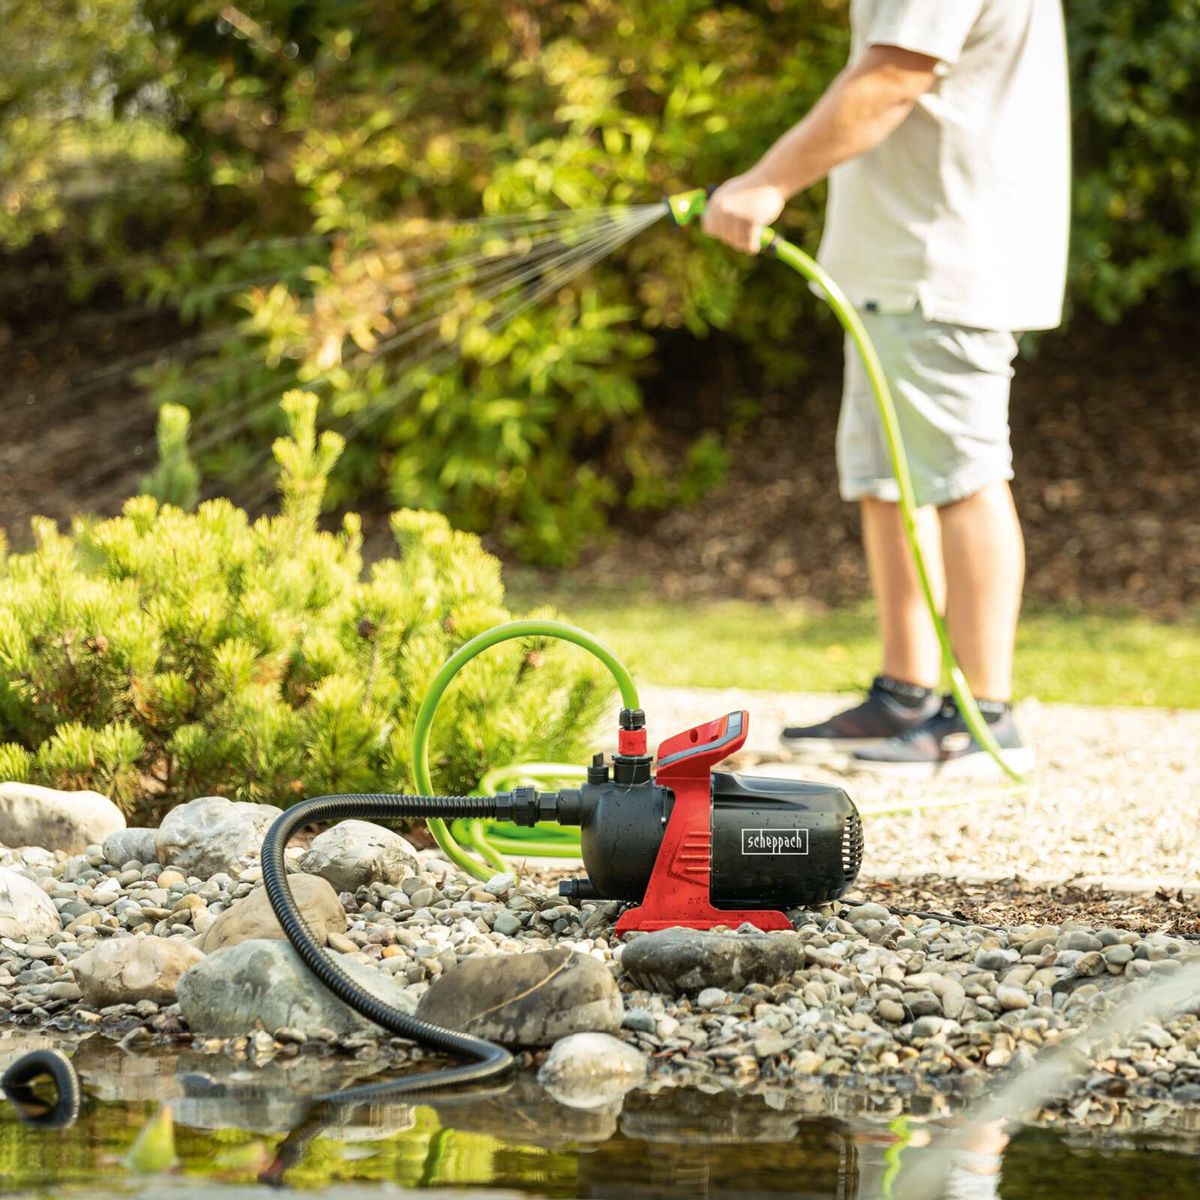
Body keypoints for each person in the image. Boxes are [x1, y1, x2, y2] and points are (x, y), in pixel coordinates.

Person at [702, 0, 1069, 778]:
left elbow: (895, 77)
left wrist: (766, 183)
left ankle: (985, 719)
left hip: (942, 261)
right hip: (892, 266)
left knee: (963, 477)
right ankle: (905, 695)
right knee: (886, 480)